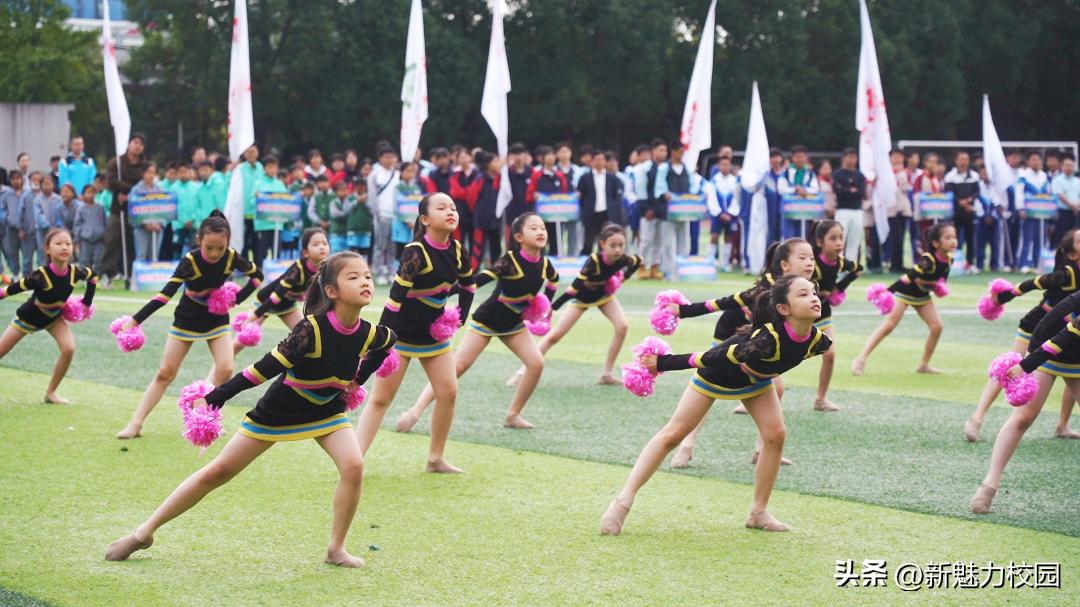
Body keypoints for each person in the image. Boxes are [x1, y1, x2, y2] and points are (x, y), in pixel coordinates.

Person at [106, 251, 395, 568]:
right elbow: (262, 369)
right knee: (218, 472)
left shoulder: (370, 332)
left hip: (327, 410)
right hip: (279, 412)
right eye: (353, 277)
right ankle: (143, 532)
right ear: (332, 291)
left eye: (367, 275)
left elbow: (386, 346)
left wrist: (357, 380)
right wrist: (217, 395)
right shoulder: (309, 331)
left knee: (353, 466)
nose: (365, 281)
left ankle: (335, 549)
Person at [600, 275, 831, 535]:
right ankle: (623, 501)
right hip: (719, 373)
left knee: (776, 435)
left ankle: (758, 513)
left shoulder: (818, 342)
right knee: (673, 434)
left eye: (813, 291)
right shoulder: (764, 341)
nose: (813, 297)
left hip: (757, 381)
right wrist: (662, 363)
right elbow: (713, 357)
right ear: (783, 309)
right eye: (803, 294)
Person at [398, 212, 558, 433]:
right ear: (519, 237)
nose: (541, 231)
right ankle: (415, 411)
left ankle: (513, 415)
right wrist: (448, 292)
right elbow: (478, 280)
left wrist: (543, 307)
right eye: (534, 228)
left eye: (543, 227)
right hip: (487, 320)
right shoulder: (509, 262)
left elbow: (554, 282)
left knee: (536, 363)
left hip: (513, 324)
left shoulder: (545, 264)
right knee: (458, 366)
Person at [662, 238, 815, 467]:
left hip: (758, 345)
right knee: (708, 388)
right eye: (802, 258)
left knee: (777, 387)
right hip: (731, 334)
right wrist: (683, 311)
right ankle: (686, 446)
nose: (810, 263)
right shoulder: (766, 288)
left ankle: (761, 451)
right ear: (784, 264)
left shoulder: (801, 288)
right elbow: (723, 303)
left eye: (811, 258)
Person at [353, 193, 475, 473]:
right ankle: (354, 461)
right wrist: (380, 338)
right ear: (424, 219)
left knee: (449, 392)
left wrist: (458, 319)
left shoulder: (457, 249)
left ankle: (435, 458)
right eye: (441, 207)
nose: (450, 212)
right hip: (401, 336)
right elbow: (395, 299)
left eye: (453, 207)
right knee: (381, 399)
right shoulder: (415, 252)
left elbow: (468, 286)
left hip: (434, 337)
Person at [115, 212, 264, 439]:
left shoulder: (232, 256)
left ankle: (201, 411)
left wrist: (236, 299)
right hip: (187, 318)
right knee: (166, 373)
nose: (215, 253)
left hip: (216, 318)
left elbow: (257, 276)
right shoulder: (190, 261)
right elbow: (165, 295)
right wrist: (134, 321)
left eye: (220, 248)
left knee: (225, 368)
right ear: (198, 240)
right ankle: (135, 423)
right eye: (209, 247)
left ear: (228, 243)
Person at [963, 228, 1080, 442]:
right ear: (1072, 254)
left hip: (1069, 332)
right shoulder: (1065, 274)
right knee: (1009, 368)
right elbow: (1035, 283)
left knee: (1074, 371)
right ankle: (976, 417)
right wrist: (1004, 296)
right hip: (1037, 326)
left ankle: (1062, 425)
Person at [970, 293, 1080, 515]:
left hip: (1076, 351)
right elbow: (1066, 336)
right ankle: (988, 486)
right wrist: (1026, 365)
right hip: (1049, 345)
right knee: (1023, 418)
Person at [509, 223, 641, 387]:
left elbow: (637, 261)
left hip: (604, 296)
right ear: (602, 244)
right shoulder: (593, 261)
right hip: (581, 298)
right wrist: (552, 308)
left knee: (622, 326)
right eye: (612, 245)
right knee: (555, 335)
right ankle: (521, 372)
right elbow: (574, 288)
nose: (617, 250)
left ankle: (606, 374)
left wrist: (622, 278)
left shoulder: (623, 259)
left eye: (621, 245)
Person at [0, 228, 96, 403]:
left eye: (68, 243)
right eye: (58, 243)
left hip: (53, 318)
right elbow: (10, 290)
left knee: (69, 348)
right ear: (47, 249)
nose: (64, 247)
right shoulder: (40, 275)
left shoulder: (76, 271)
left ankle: (50, 393)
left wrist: (86, 304)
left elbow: (93, 277)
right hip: (29, 318)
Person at [852, 223, 958, 375]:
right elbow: (909, 277)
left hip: (922, 296)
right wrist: (887, 292)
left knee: (937, 327)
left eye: (954, 237)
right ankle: (860, 359)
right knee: (889, 325)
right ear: (936, 243)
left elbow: (940, 281)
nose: (953, 241)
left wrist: (935, 286)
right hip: (904, 293)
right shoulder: (928, 259)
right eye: (948, 238)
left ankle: (924, 365)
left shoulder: (949, 259)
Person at [231, 228, 330, 362]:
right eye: (316, 244)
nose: (321, 247)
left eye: (324, 243)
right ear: (305, 253)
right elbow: (275, 297)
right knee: (239, 343)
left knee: (307, 339)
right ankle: (223, 365)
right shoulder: (296, 270)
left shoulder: (324, 269)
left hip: (287, 306)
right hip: (266, 302)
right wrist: (252, 317)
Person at [810, 221, 862, 411]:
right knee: (785, 356)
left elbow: (858, 269)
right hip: (803, 316)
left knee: (830, 353)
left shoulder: (840, 262)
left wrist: (838, 288)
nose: (839, 242)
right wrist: (817, 292)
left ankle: (820, 399)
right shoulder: (812, 264)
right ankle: (759, 392)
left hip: (823, 314)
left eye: (841, 237)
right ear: (819, 242)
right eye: (833, 238)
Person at [102, 134, 149, 284]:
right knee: (112, 241)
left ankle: (131, 276)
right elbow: (111, 182)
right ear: (129, 144)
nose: (137, 146)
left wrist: (130, 193)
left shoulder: (145, 165)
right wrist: (131, 188)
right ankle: (107, 274)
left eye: (141, 144)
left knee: (132, 245)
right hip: (118, 209)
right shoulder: (116, 162)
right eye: (135, 143)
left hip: (138, 212)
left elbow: (146, 184)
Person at [577, 149, 625, 255]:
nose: (600, 162)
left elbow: (616, 197)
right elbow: (580, 196)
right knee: (588, 242)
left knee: (605, 241)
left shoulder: (612, 178)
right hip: (591, 214)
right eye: (597, 159)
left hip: (607, 214)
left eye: (602, 159)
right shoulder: (585, 178)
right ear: (592, 162)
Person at [525, 145, 569, 257]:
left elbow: (565, 195)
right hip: (541, 218)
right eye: (548, 156)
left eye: (552, 155)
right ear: (542, 158)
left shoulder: (560, 176)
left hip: (557, 217)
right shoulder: (536, 175)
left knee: (555, 242)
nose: (550, 158)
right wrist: (535, 195)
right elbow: (529, 195)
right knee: (540, 243)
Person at [636, 139, 670, 279]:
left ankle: (655, 267)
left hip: (663, 209)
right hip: (648, 209)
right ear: (653, 151)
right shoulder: (645, 167)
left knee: (659, 241)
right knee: (646, 240)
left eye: (665, 150)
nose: (663, 153)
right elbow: (641, 189)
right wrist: (646, 209)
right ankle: (642, 267)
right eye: (661, 150)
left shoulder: (667, 168)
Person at [367, 145, 400, 284]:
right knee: (380, 245)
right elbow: (372, 196)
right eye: (387, 157)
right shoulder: (375, 174)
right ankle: (380, 271)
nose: (390, 159)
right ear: (380, 158)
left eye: (391, 157)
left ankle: (391, 271)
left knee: (393, 246)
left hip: (396, 216)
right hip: (381, 215)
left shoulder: (398, 174)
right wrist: (376, 213)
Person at [944, 151, 980, 272]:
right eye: (961, 159)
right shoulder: (950, 176)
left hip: (970, 212)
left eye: (966, 159)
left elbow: (977, 192)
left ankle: (970, 264)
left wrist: (970, 200)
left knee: (971, 239)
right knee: (954, 239)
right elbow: (949, 193)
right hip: (955, 214)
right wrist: (959, 202)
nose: (964, 162)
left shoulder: (974, 175)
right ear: (956, 161)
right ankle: (954, 263)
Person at [831, 148, 866, 264]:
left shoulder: (860, 175)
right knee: (840, 240)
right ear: (844, 158)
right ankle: (837, 265)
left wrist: (848, 191)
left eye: (854, 157)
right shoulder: (838, 174)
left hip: (857, 210)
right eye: (849, 157)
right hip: (842, 210)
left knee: (854, 241)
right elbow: (838, 190)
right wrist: (850, 191)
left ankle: (851, 267)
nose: (851, 159)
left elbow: (861, 192)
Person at [778, 145, 820, 240]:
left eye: (802, 156)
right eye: (797, 157)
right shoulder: (786, 172)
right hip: (789, 209)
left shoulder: (809, 173)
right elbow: (781, 189)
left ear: (806, 158)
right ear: (792, 158)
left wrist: (805, 191)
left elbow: (816, 189)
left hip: (804, 209)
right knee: (788, 236)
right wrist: (795, 190)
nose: (800, 159)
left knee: (802, 235)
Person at [707, 156, 740, 272]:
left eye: (727, 165)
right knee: (714, 237)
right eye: (723, 164)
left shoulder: (735, 181)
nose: (725, 167)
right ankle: (710, 262)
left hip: (731, 215)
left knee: (728, 238)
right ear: (719, 166)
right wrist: (720, 213)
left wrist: (730, 214)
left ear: (730, 166)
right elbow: (712, 199)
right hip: (717, 215)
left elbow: (737, 199)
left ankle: (725, 264)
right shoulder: (714, 181)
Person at [128, 164, 165, 263]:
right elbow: (133, 210)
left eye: (153, 173)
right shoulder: (136, 190)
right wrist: (145, 224)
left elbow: (164, 209)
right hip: (141, 228)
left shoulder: (159, 189)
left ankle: (153, 278)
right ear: (143, 173)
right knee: (141, 255)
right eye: (149, 172)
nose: (151, 175)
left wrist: (160, 224)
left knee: (154, 256)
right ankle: (138, 278)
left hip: (157, 228)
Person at [974, 162, 1003, 272]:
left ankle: (994, 265)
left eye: (987, 173)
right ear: (980, 174)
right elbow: (977, 202)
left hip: (994, 219)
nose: (985, 175)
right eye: (983, 173)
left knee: (995, 243)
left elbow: (998, 202)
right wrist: (984, 216)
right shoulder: (978, 186)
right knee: (980, 243)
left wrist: (993, 216)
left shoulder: (995, 187)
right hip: (982, 219)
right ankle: (979, 265)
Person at [170, 164, 202, 259]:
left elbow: (199, 206)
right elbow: (174, 207)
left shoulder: (196, 187)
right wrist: (184, 221)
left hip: (194, 225)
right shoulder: (173, 188)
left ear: (190, 173)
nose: (183, 174)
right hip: (179, 225)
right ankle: (176, 272)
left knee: (194, 251)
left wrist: (192, 219)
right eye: (181, 172)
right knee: (177, 250)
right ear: (177, 174)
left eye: (185, 171)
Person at [74, 185, 106, 271]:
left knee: (99, 260)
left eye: (93, 192)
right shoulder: (80, 209)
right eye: (88, 192)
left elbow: (104, 222)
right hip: (85, 239)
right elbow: (77, 225)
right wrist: (77, 239)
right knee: (84, 260)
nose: (91, 195)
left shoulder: (100, 208)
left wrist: (104, 234)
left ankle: (97, 278)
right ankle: (85, 278)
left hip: (99, 239)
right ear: (83, 195)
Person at [1053, 156, 1080, 236]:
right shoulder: (1057, 180)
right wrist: (1072, 206)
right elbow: (1060, 195)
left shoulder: (1077, 181)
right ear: (1062, 166)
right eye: (1067, 165)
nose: (1069, 167)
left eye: (1071, 165)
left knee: (1075, 236)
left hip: (1076, 213)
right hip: (1062, 213)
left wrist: (1076, 206)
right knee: (1062, 236)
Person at [328, 180, 356, 254]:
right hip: (336, 232)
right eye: (340, 190)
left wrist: (345, 214)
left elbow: (352, 214)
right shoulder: (333, 202)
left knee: (347, 255)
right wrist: (346, 214)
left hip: (348, 232)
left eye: (345, 190)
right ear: (336, 192)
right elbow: (335, 215)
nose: (343, 193)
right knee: (335, 254)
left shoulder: (351, 201)